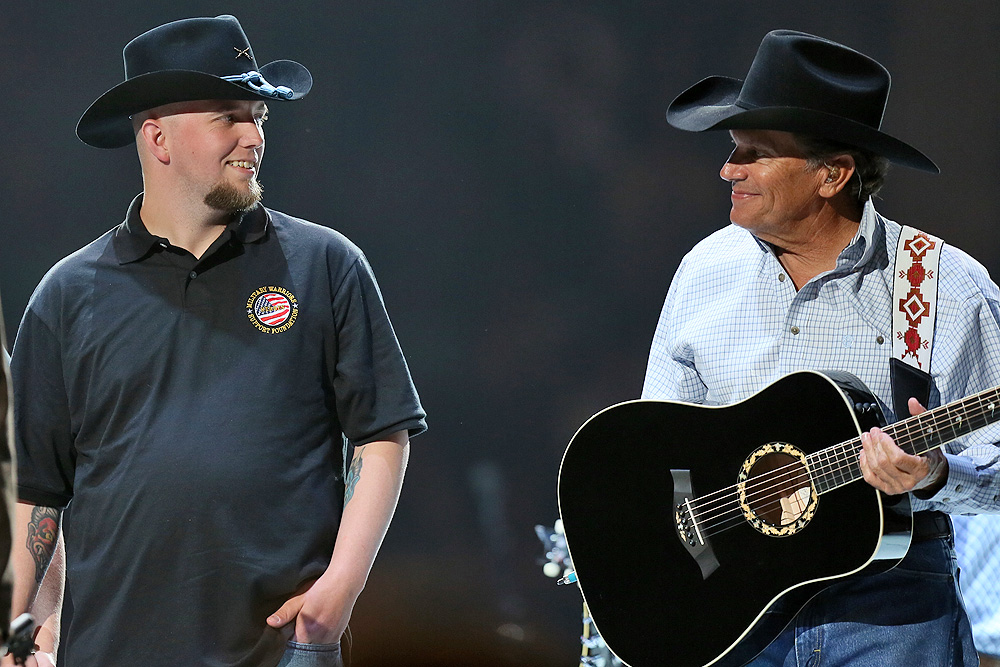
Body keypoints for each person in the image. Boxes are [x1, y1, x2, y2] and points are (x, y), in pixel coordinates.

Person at [7, 15, 425, 667]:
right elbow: (37, 489)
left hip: (280, 651)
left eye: (259, 117)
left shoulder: (325, 265)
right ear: (158, 137)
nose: (254, 137)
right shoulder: (67, 295)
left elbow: (382, 433)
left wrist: (340, 590)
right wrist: (19, 624)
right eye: (228, 117)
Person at [643, 30, 1000, 665]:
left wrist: (935, 476)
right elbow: (654, 443)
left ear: (831, 175)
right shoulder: (705, 270)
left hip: (889, 614)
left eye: (756, 153)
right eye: (734, 150)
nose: (729, 169)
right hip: (733, 608)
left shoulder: (944, 286)